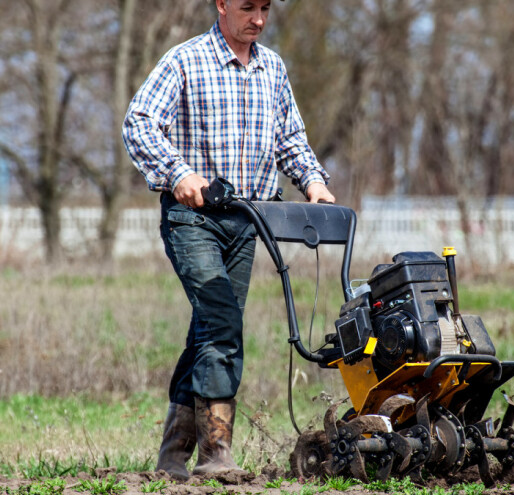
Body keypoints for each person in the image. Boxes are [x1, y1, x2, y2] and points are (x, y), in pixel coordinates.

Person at [122, 0, 334, 479]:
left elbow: (290, 139)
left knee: (210, 327)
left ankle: (173, 455)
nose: (257, 18)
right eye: (246, 7)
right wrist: (178, 173)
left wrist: (313, 182)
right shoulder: (184, 60)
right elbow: (138, 122)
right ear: (221, 5)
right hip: (192, 217)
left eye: (264, 8)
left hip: (246, 220)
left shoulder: (272, 68)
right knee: (220, 318)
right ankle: (216, 454)